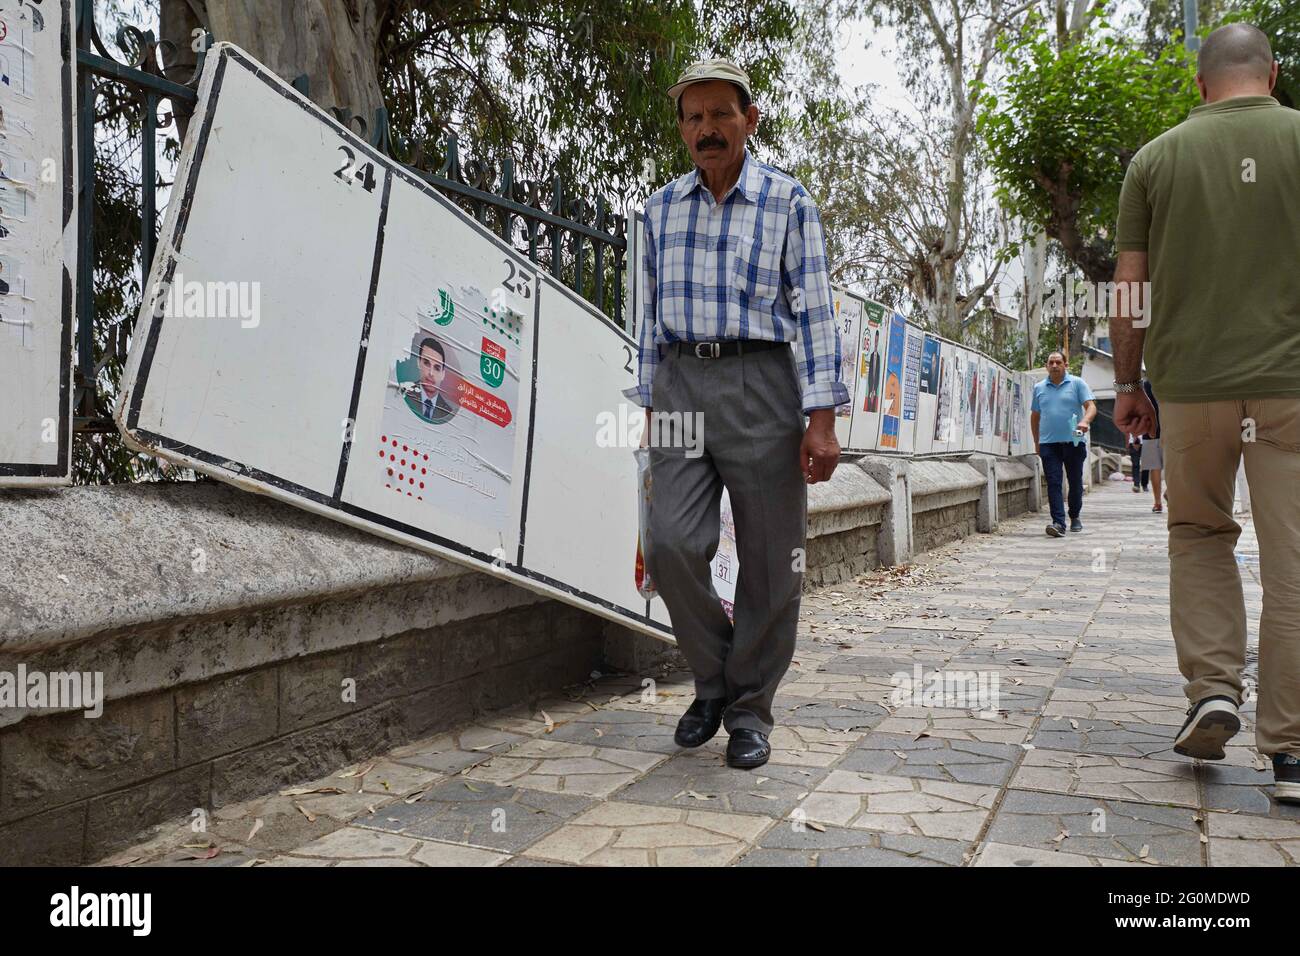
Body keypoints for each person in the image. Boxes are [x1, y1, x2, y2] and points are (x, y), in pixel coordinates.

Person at [624, 58, 846, 770]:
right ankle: (715, 677)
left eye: (722, 114)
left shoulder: (789, 203)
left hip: (763, 385)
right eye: (694, 117)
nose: (708, 128)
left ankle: (750, 710)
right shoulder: (659, 211)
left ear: (750, 120)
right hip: (683, 384)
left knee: (771, 561)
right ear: (682, 128)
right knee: (668, 544)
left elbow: (814, 314)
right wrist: (651, 401)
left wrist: (822, 416)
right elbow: (648, 321)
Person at [1111, 23, 1300, 801]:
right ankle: (1291, 754)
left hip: (1189, 390)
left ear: (1199, 85)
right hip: (1292, 387)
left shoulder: (1155, 159)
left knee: (1198, 534)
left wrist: (1128, 383)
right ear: (1275, 74)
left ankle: (1213, 691)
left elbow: (1129, 288)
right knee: (1293, 563)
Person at [1031, 351, 1096, 536]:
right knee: (1053, 482)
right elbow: (1035, 417)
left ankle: (1074, 515)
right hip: (1048, 443)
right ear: (1046, 366)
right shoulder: (1039, 388)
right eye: (1051, 362)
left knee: (1075, 482)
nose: (1054, 365)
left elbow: (1091, 406)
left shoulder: (1077, 383)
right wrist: (1037, 441)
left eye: (1058, 362)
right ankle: (1058, 523)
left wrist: (1085, 421)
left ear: (1065, 365)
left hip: (1074, 440)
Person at [407, 336, 456, 424]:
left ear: (443, 374)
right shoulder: (404, 394)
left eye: (437, 368)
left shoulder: (447, 413)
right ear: (419, 363)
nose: (431, 373)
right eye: (426, 363)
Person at [1139, 378, 1164, 513]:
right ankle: (1167, 498)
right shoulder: (1168, 381)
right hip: (1169, 430)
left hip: (1150, 432)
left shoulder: (1144, 386)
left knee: (1155, 468)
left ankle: (1157, 502)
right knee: (1174, 468)